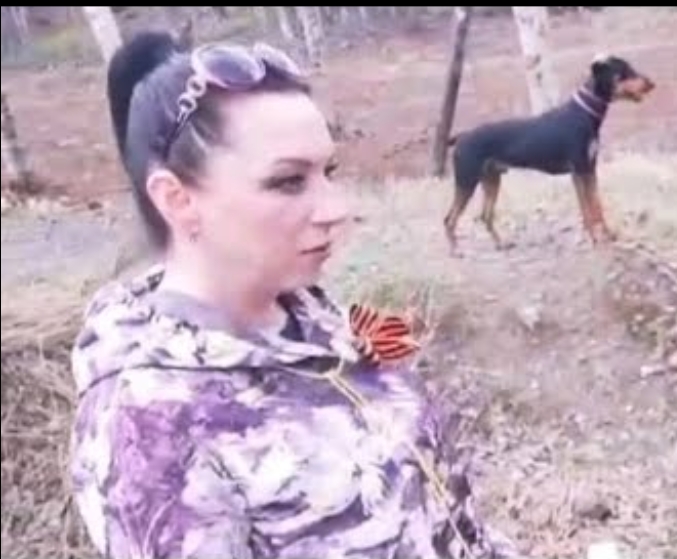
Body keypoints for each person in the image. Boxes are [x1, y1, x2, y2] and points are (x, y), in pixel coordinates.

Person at [69, 30, 517, 558]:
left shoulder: (314, 320)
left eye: (329, 172)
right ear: (177, 200)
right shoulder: (150, 427)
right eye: (288, 182)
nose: (336, 210)